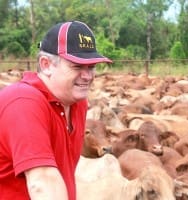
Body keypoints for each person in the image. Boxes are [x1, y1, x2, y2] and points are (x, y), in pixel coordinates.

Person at [0, 21, 112, 200]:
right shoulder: (24, 101)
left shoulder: (78, 103)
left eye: (91, 67)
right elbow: (42, 180)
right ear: (46, 65)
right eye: (77, 66)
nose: (87, 76)